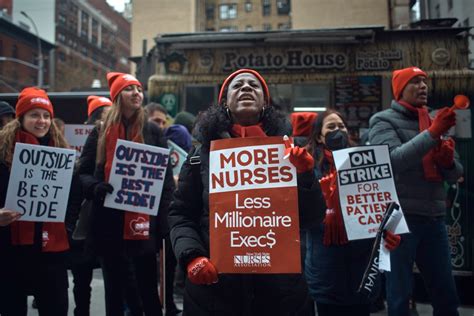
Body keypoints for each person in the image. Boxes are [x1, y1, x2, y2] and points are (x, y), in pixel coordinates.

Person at [168, 68, 322, 315]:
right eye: (237, 86)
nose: (247, 88)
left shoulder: (289, 153)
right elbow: (181, 214)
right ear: (224, 103)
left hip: (281, 294)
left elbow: (313, 218)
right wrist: (192, 256)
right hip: (215, 292)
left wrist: (305, 177)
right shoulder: (201, 156)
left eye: (254, 85)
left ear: (265, 102)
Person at [78, 72, 175, 316]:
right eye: (130, 89)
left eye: (139, 89)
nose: (137, 93)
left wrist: (164, 223)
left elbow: (165, 180)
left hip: (143, 224)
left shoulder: (152, 131)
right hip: (109, 224)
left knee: (147, 292)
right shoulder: (100, 132)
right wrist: (95, 187)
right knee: (115, 290)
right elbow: (82, 174)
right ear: (117, 96)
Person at [369, 67, 463, 316]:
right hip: (400, 221)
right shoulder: (382, 120)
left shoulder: (435, 119)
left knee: (446, 294)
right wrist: (432, 135)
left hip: (434, 219)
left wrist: (448, 162)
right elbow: (392, 161)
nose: (423, 86)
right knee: (399, 295)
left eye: (424, 82)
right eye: (415, 82)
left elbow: (457, 174)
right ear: (400, 90)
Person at [303, 110, 400, 316]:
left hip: (362, 267)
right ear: (319, 136)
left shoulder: (366, 161)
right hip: (325, 266)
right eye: (330, 127)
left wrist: (389, 232)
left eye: (341, 126)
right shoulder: (309, 167)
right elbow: (303, 214)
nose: (337, 130)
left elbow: (381, 203)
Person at [0, 87, 82, 315]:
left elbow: (74, 195)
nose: (42, 121)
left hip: (51, 250)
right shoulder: (2, 153)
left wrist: (67, 224)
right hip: (10, 249)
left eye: (46, 115)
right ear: (21, 118)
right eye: (34, 114)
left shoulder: (62, 154)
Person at [68, 95, 113, 316]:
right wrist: (96, 186)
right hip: (85, 221)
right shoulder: (96, 136)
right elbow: (81, 176)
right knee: (82, 276)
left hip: (106, 221)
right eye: (105, 114)